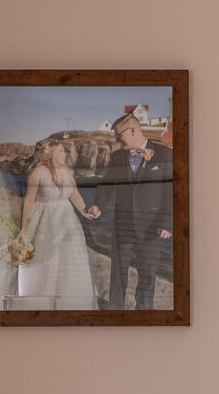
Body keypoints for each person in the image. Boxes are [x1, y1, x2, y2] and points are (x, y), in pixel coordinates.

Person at [84, 115, 175, 310]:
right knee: (117, 275)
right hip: (122, 225)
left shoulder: (164, 154)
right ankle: (116, 312)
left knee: (148, 275)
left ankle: (143, 314)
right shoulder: (116, 157)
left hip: (151, 227)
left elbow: (171, 193)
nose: (117, 140)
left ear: (132, 131)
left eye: (118, 135)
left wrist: (167, 223)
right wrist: (98, 205)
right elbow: (107, 186)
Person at [11, 139, 100, 309]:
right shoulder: (38, 173)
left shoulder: (67, 171)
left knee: (71, 261)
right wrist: (23, 229)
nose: (64, 154)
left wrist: (86, 212)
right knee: (48, 262)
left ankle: (70, 304)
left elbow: (74, 194)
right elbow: (29, 201)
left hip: (67, 223)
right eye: (60, 151)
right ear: (50, 153)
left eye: (64, 151)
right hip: (44, 223)